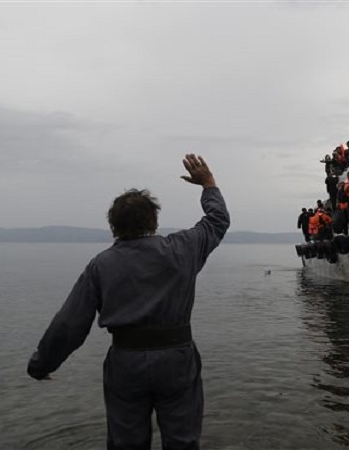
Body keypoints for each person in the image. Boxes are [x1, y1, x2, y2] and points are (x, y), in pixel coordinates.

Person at [26, 154, 230, 450]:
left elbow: (70, 323)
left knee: (126, 444)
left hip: (126, 362)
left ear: (113, 226)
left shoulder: (101, 265)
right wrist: (208, 184)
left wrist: (42, 364)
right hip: (177, 359)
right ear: (154, 220)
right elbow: (217, 220)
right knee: (183, 442)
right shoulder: (182, 249)